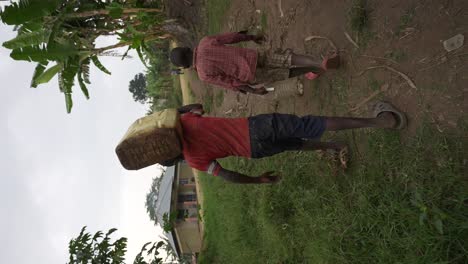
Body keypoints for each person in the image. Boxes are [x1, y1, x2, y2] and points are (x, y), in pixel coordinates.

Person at [160, 101, 407, 184]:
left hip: (255, 150)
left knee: (297, 144)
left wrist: (257, 180)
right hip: (254, 126)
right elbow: (199, 106)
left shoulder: (193, 160)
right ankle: (382, 121)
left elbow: (226, 175)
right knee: (308, 125)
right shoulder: (185, 120)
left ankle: (335, 146)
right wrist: (176, 113)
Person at [169, 31, 340, 95]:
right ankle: (320, 62)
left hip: (251, 75)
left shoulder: (204, 75)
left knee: (285, 73)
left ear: (185, 67)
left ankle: (313, 69)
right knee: (288, 58)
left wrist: (252, 90)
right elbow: (231, 37)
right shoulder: (205, 42)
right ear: (186, 49)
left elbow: (231, 83)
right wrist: (250, 37)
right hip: (253, 56)